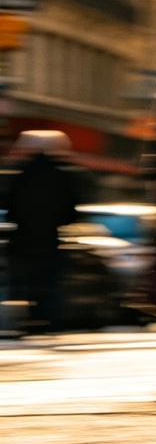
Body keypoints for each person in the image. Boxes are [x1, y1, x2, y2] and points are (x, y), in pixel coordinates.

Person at [5, 130, 82, 333]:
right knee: (49, 284)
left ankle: (24, 321)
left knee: (22, 282)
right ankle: (47, 322)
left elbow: (10, 208)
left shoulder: (20, 175)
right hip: (50, 241)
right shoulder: (62, 176)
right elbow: (70, 212)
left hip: (22, 241)